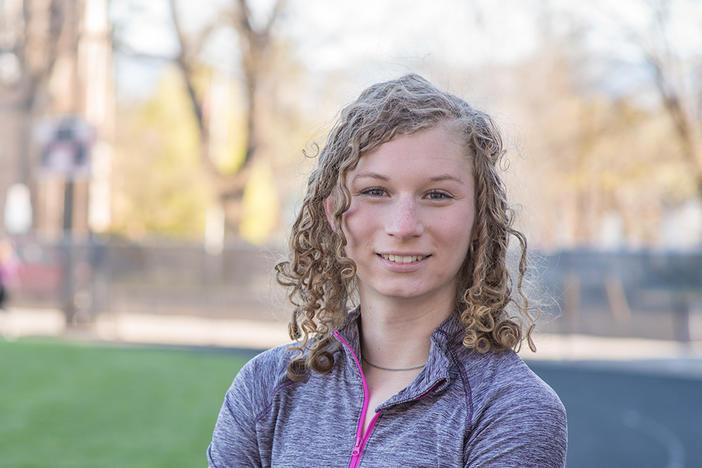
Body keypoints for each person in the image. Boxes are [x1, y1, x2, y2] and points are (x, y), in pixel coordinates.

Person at [207, 74, 568, 467]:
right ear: (334, 214)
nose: (403, 225)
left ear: (480, 219)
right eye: (375, 191)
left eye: (437, 195)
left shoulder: (511, 409)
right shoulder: (266, 388)